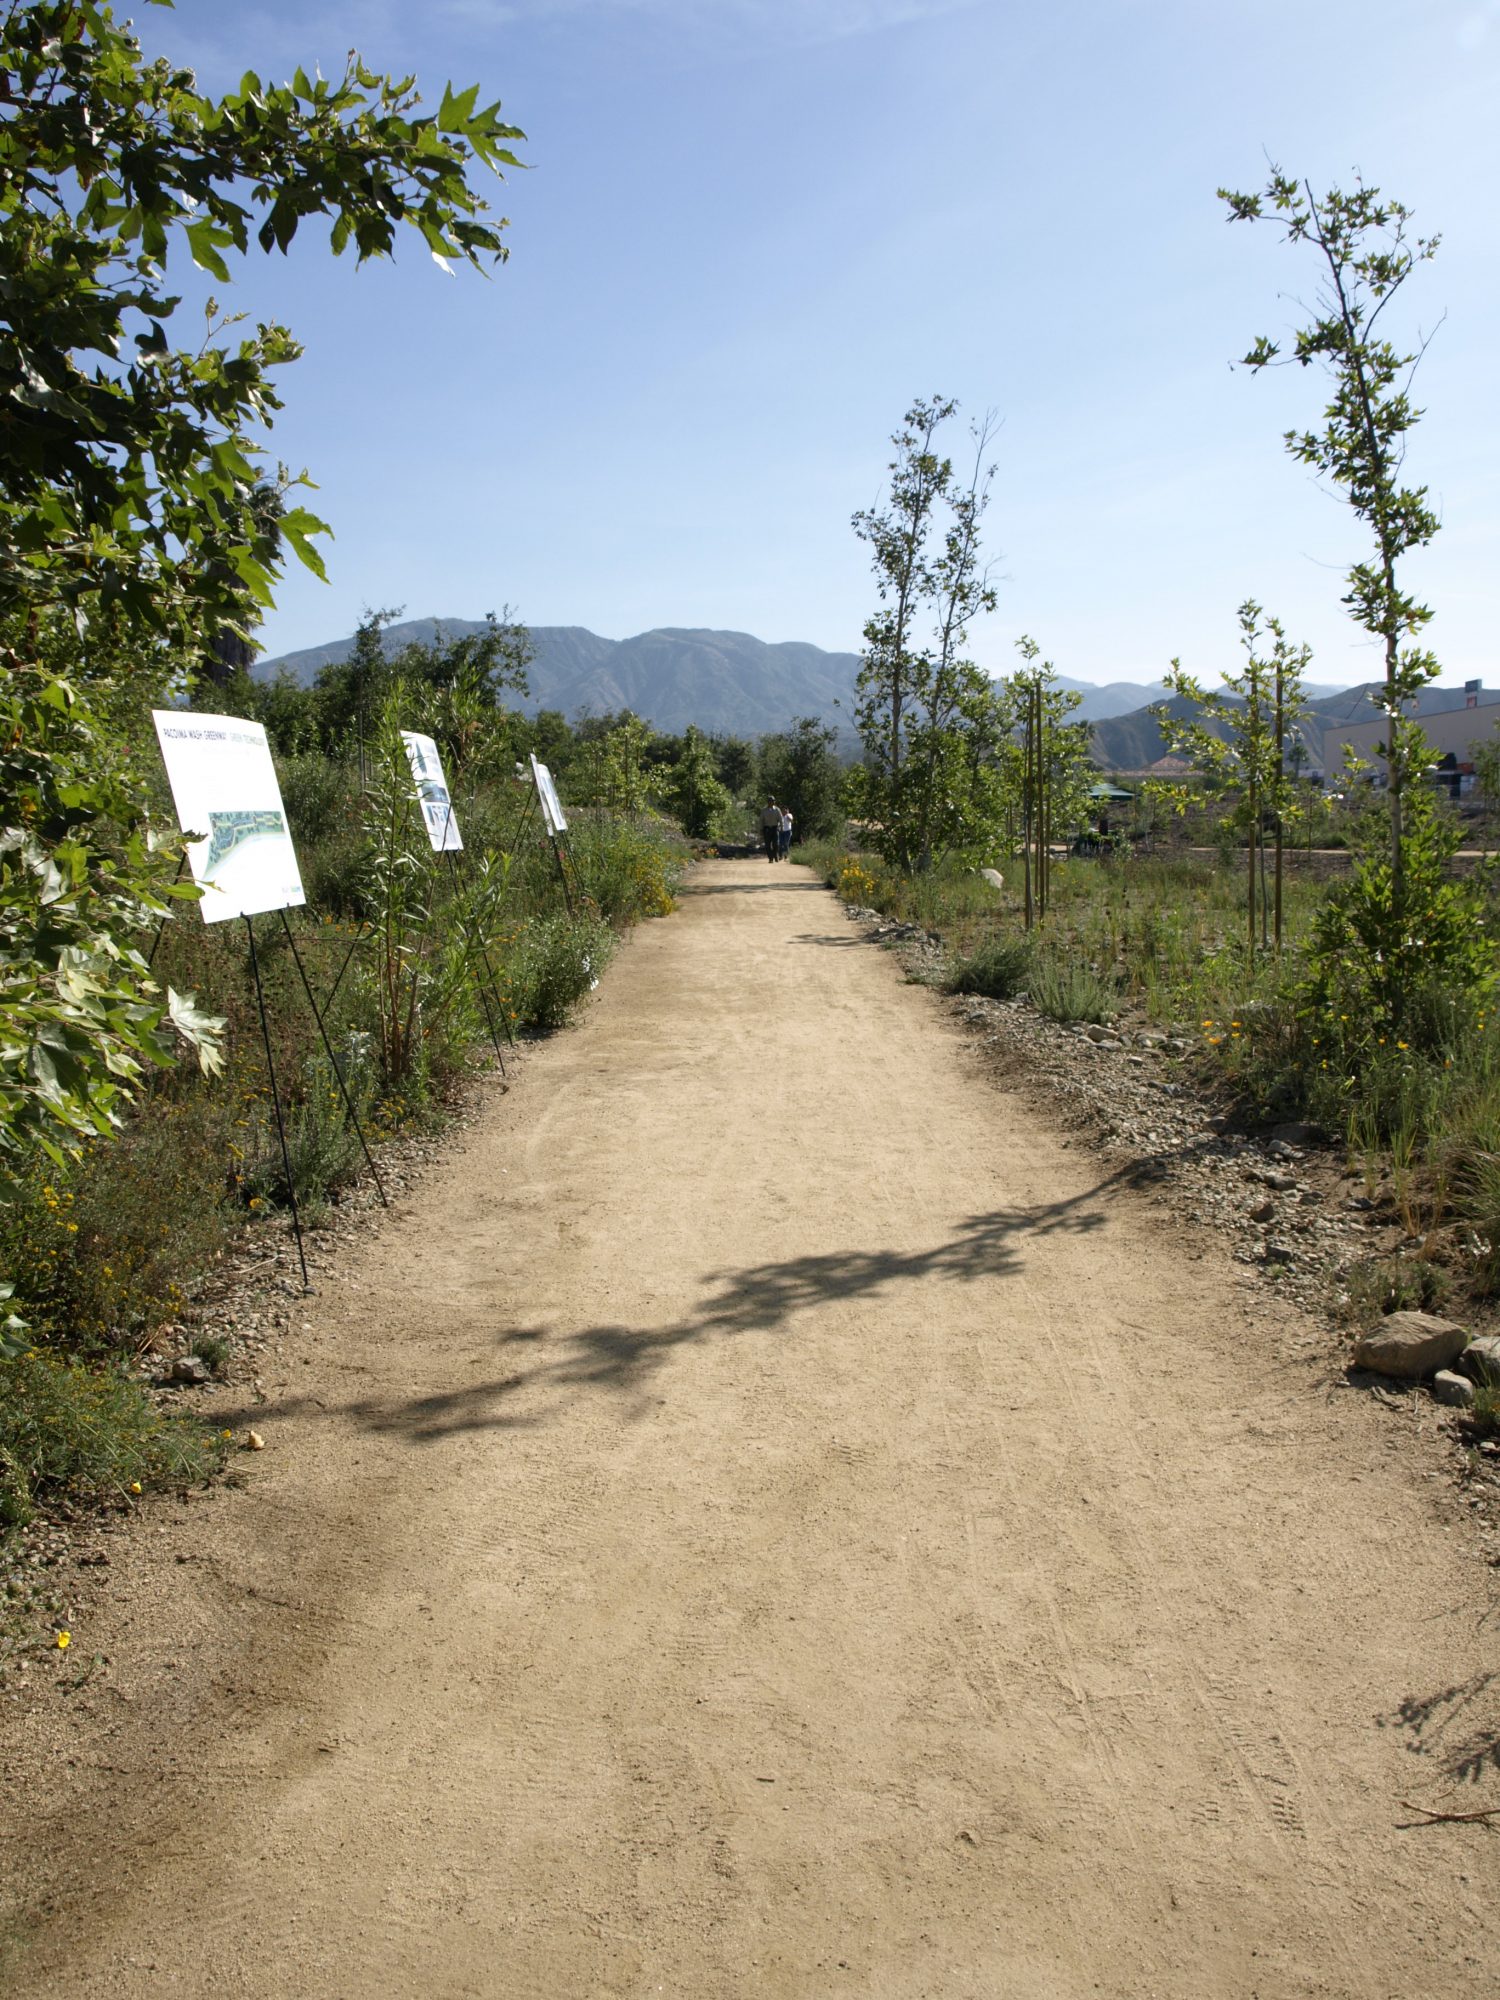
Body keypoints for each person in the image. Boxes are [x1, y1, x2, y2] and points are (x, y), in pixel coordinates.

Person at [759, 799, 782, 863]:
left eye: (773, 801)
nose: (772, 802)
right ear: (768, 802)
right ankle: (770, 858)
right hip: (767, 828)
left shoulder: (777, 809)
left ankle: (775, 855)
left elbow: (781, 819)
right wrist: (761, 829)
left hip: (775, 828)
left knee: (776, 844)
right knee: (767, 845)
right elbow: (761, 820)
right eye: (770, 801)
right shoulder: (764, 810)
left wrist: (782, 827)